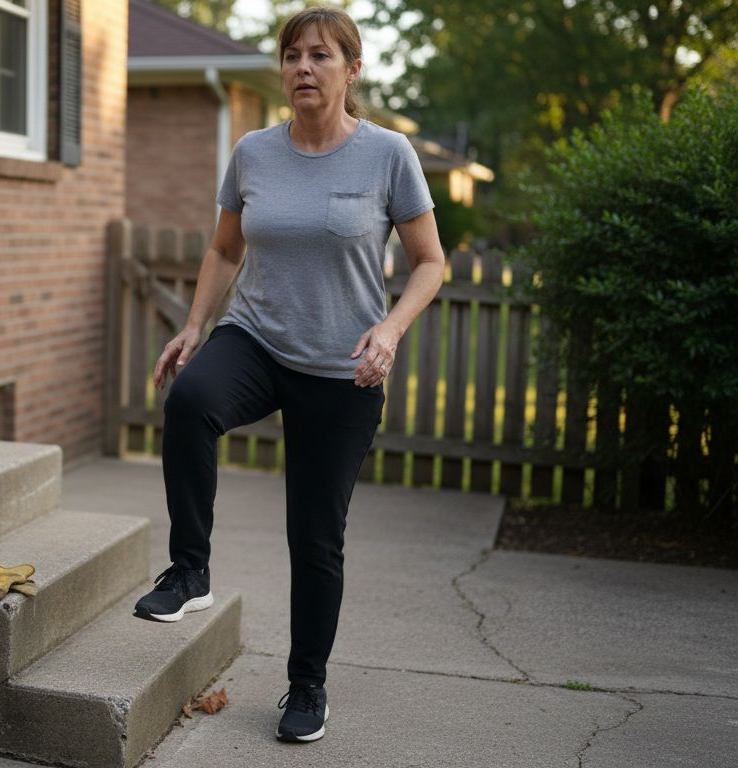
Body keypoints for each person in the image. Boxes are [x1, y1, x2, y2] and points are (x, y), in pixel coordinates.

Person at [131, 5, 447, 744]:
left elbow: (431, 262)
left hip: (341, 368)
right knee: (190, 399)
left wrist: (390, 329)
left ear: (351, 70)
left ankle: (307, 685)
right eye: (293, 55)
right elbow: (225, 249)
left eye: (321, 55)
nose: (304, 67)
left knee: (314, 537)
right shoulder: (253, 152)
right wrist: (194, 327)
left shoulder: (388, 155)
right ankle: (190, 571)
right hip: (256, 338)